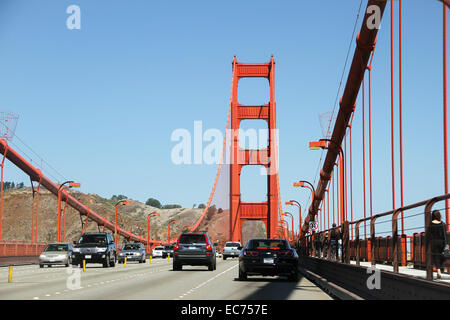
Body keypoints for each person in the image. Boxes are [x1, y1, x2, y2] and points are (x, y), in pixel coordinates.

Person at [430, 210, 447, 280]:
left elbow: (429, 234)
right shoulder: (443, 224)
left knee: (436, 256)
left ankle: (439, 271)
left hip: (434, 242)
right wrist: (446, 243)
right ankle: (442, 269)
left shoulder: (430, 224)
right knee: (442, 255)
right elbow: (444, 234)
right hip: (442, 242)